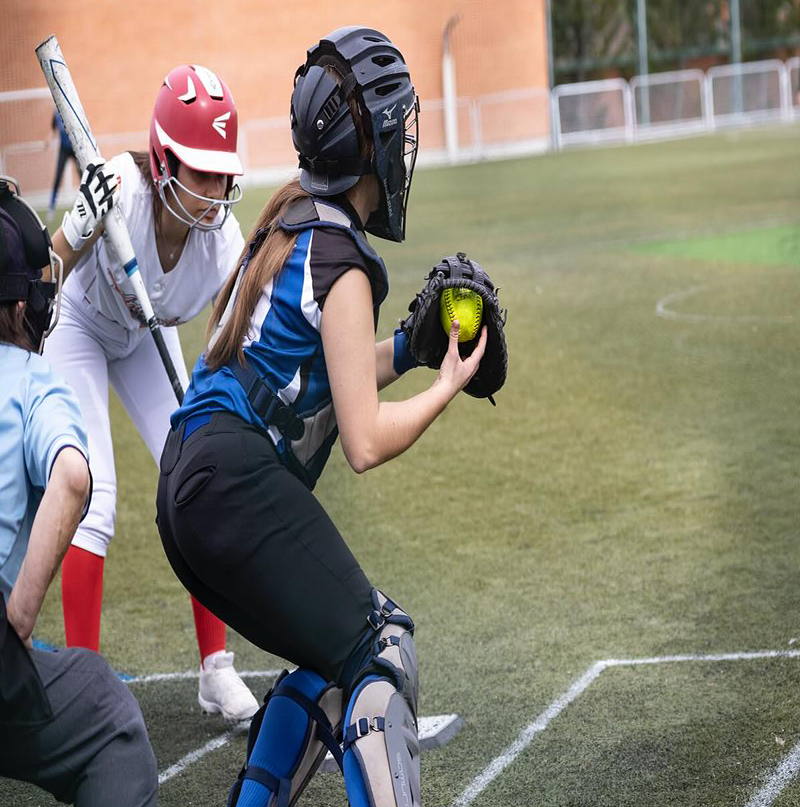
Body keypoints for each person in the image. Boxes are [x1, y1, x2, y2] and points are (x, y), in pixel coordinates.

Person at [155, 27, 487, 807]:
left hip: (188, 482)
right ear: (365, 143)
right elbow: (365, 439)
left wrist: (407, 347)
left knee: (331, 657)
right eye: (396, 124)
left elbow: (316, 371)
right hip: (230, 481)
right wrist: (445, 384)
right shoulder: (343, 259)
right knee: (383, 648)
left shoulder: (291, 219)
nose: (405, 143)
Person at [47, 64, 258, 721]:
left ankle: (215, 668)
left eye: (223, 173)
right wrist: (78, 227)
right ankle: (84, 691)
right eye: (200, 172)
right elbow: (46, 275)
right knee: (95, 495)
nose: (214, 190)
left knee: (199, 475)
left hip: (144, 334)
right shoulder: (123, 191)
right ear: (163, 161)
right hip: (78, 326)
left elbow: (245, 335)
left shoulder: (223, 242)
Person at [0, 175, 157, 806]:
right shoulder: (34, 377)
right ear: (20, 309)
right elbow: (72, 476)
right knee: (106, 713)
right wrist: (16, 623)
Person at [47, 111, 79, 224]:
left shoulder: (71, 111)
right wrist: (48, 141)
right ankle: (51, 208)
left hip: (75, 148)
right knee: (57, 179)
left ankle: (87, 202)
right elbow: (53, 130)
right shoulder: (55, 114)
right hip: (63, 150)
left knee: (84, 176)